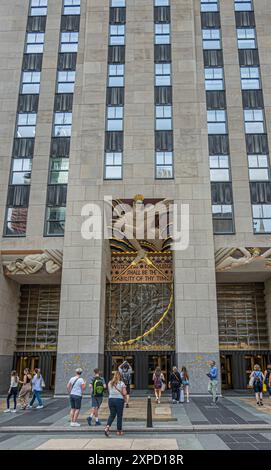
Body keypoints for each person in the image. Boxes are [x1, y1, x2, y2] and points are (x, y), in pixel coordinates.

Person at [104, 371, 127, 437]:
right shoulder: (121, 383)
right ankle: (119, 431)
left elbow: (109, 391)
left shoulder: (109, 383)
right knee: (119, 415)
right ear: (120, 376)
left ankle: (107, 427)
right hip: (119, 400)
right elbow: (124, 393)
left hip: (111, 399)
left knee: (112, 415)